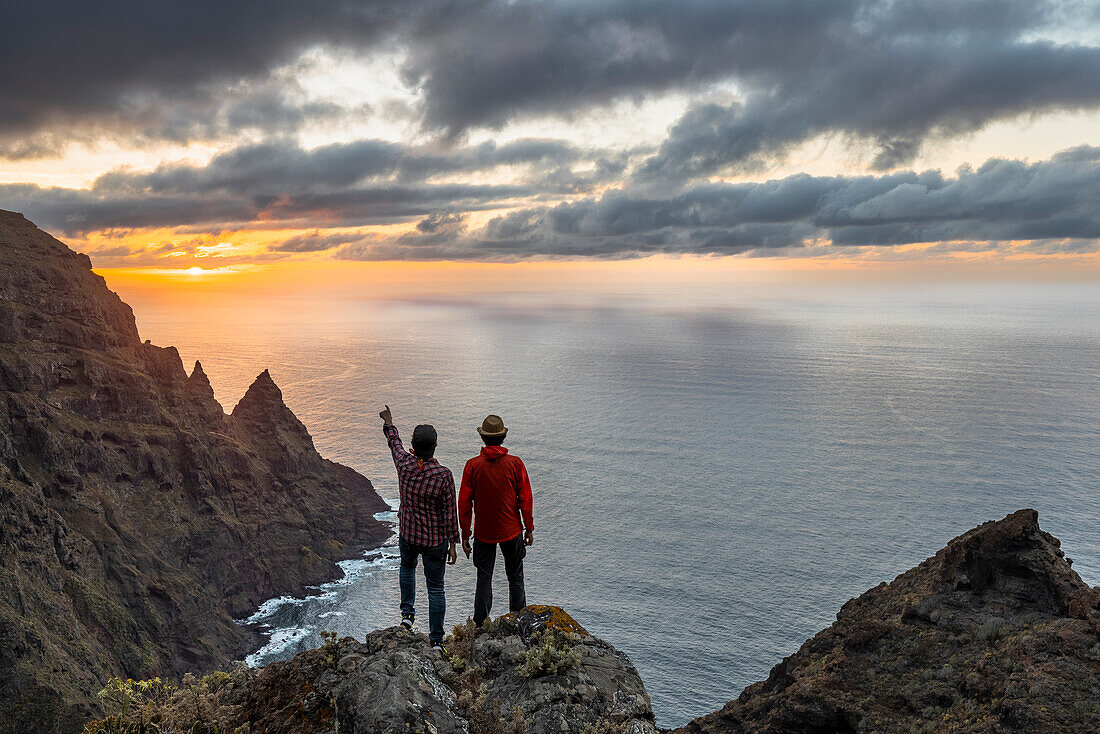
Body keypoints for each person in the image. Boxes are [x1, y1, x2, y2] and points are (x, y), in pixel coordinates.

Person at [379, 404, 458, 648]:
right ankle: (436, 640)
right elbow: (449, 513)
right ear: (434, 447)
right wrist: (453, 543)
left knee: (407, 569)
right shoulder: (443, 475)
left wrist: (389, 422)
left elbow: (395, 444)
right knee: (436, 589)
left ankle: (407, 616)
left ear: (414, 445)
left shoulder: (405, 464)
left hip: (409, 536)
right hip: (435, 542)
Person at [459, 414, 534, 625]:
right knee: (515, 577)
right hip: (512, 530)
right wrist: (529, 528)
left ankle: (481, 624)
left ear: (483, 438)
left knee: (484, 578)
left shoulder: (472, 466)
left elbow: (465, 504)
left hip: (484, 532)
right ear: (503, 438)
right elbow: (525, 500)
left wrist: (465, 535)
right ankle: (519, 620)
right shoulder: (515, 464)